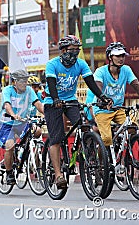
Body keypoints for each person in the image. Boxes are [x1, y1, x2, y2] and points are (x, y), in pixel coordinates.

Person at [43, 35, 112, 189]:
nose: (74, 53)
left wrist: (102, 96)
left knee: (84, 128)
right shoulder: (52, 64)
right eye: (71, 50)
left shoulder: (81, 64)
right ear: (62, 50)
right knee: (56, 138)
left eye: (77, 50)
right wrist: (55, 99)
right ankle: (58, 175)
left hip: (71, 101)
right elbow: (51, 84)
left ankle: (87, 157)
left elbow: (91, 83)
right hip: (52, 102)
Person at [93, 42, 139, 148]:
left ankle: (124, 155)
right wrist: (103, 101)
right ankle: (102, 163)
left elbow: (137, 86)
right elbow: (97, 88)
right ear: (110, 57)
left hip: (118, 109)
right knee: (107, 140)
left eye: (122, 55)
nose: (121, 58)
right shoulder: (100, 71)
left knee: (132, 128)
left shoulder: (126, 69)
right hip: (103, 110)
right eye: (117, 56)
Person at [0, 69, 44, 185]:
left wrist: (47, 114)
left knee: (37, 131)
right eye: (21, 81)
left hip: (23, 123)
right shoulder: (7, 91)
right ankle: (9, 173)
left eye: (25, 81)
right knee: (9, 145)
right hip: (7, 124)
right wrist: (13, 114)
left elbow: (38, 104)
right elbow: (7, 105)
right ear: (15, 82)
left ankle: (23, 153)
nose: (24, 83)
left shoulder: (29, 90)